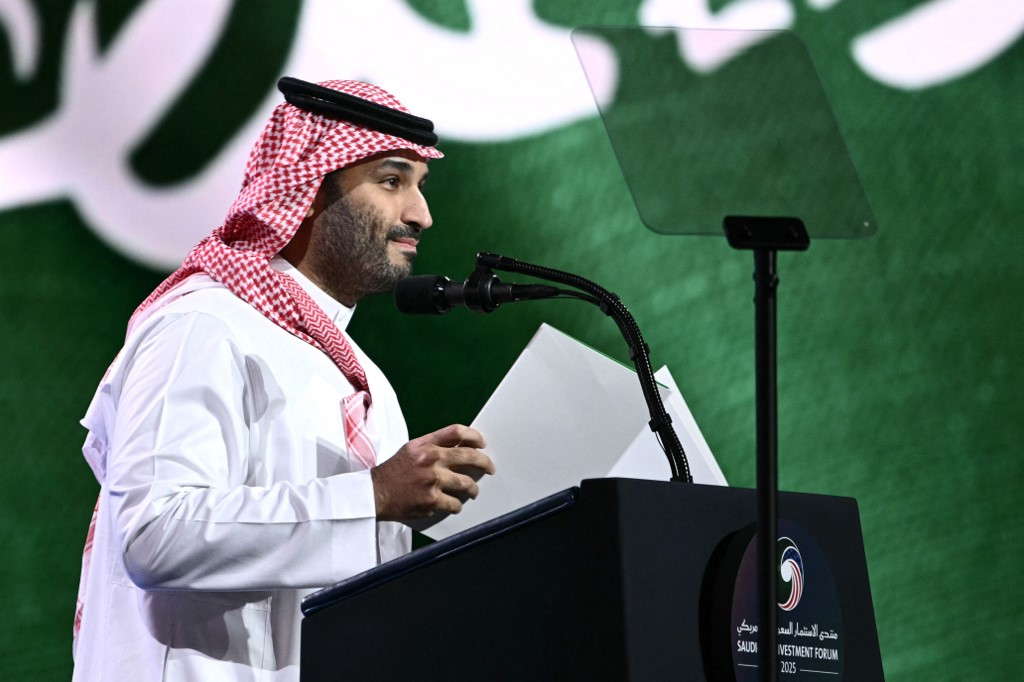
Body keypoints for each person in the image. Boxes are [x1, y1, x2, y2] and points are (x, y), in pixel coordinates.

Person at [71, 78, 495, 681]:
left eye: (420, 186)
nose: (420, 214)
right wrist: (374, 497)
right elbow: (155, 534)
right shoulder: (204, 326)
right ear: (309, 188)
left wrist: (409, 509)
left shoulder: (368, 382)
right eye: (391, 181)